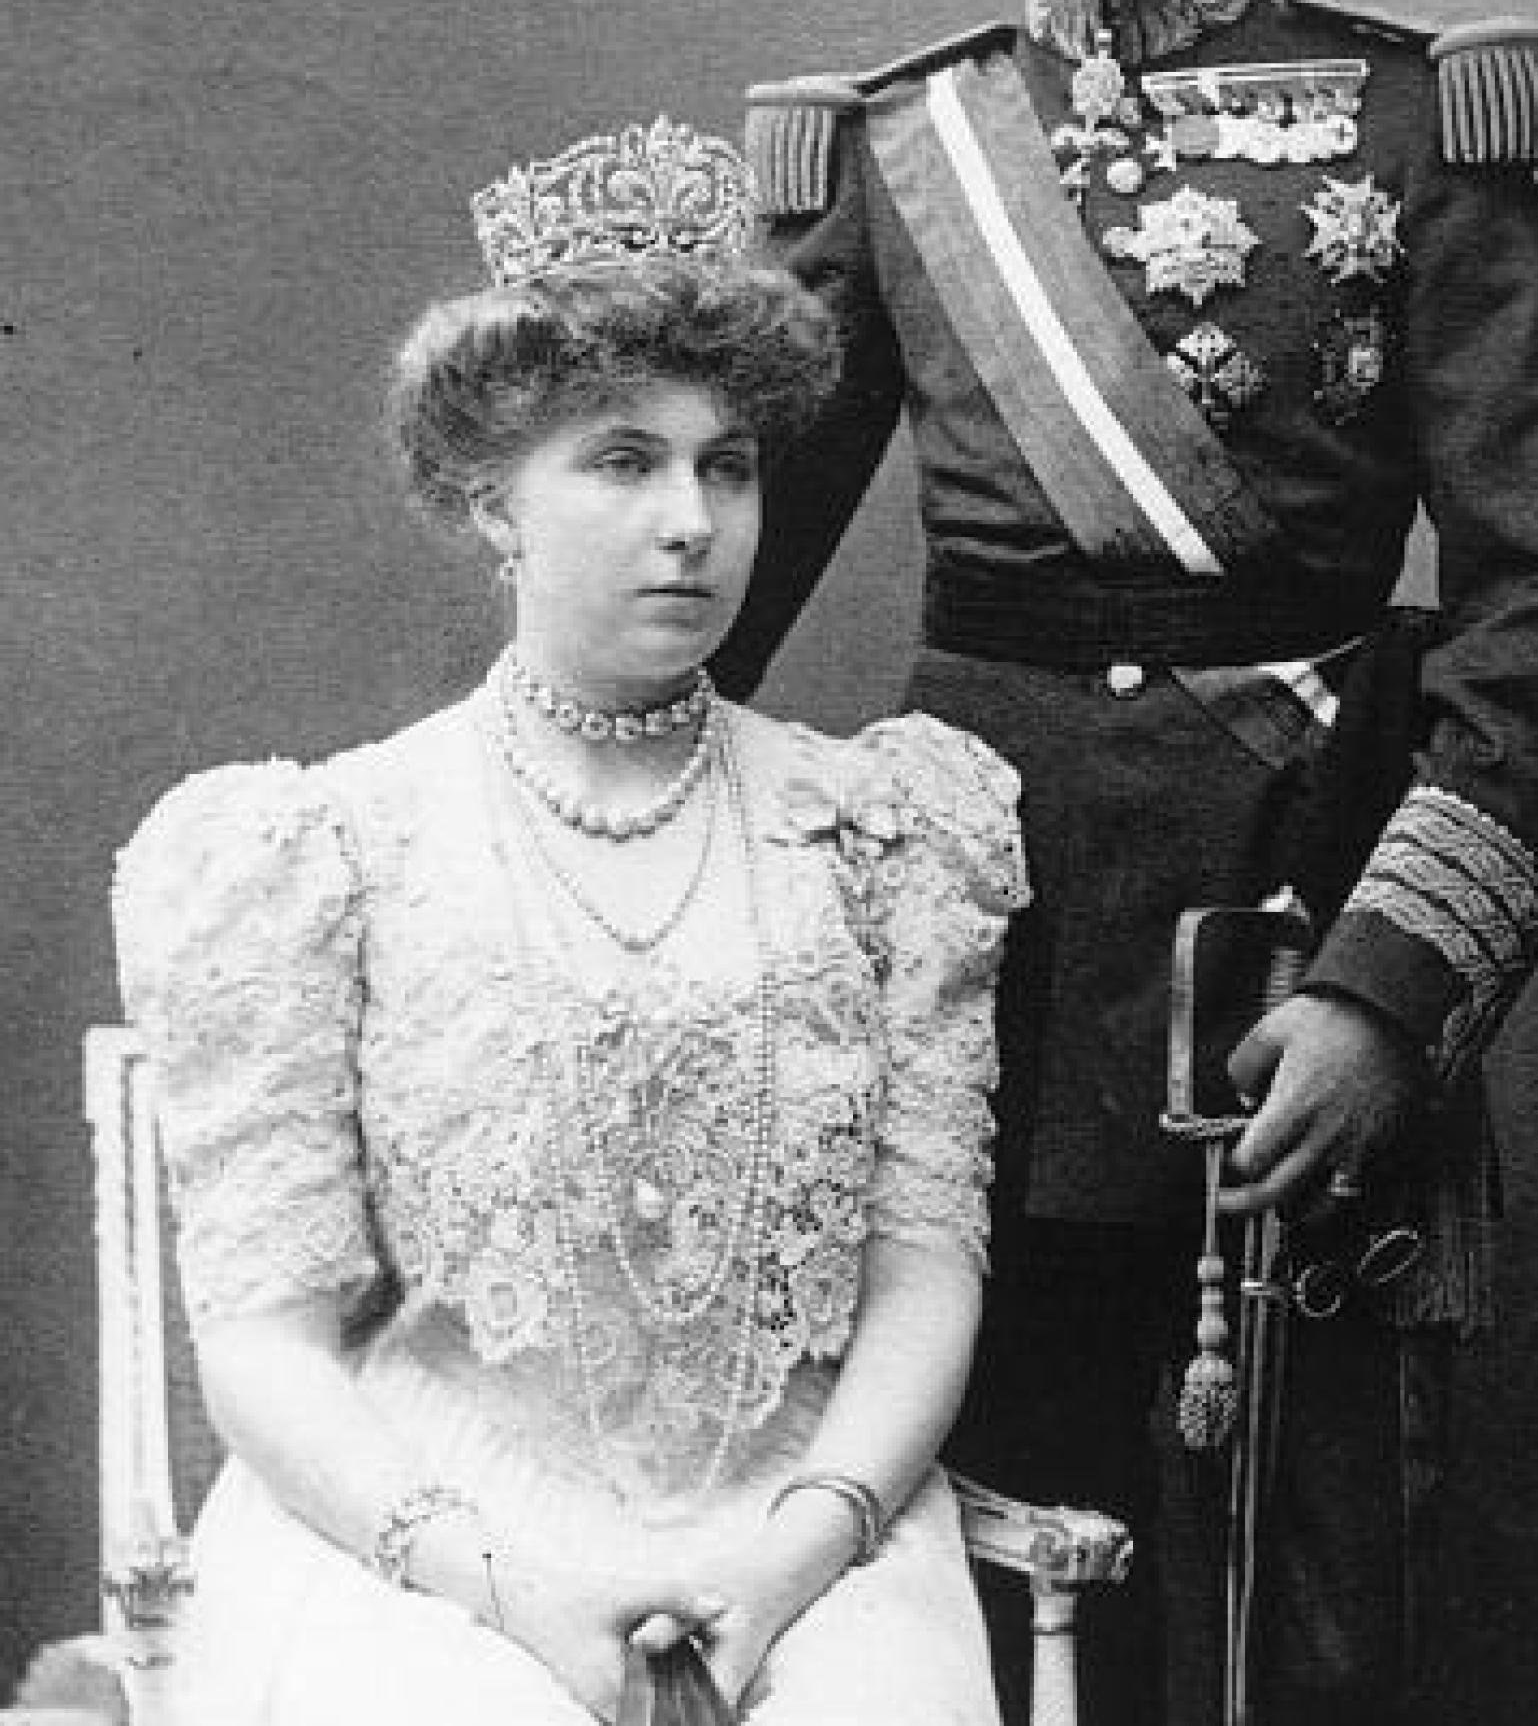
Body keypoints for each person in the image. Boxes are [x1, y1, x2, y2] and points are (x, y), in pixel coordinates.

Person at [720, 0, 1538, 1722]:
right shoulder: (903, 152)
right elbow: (706, 608)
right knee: (978, 1569)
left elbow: (1523, 624)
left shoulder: (1416, 129)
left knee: (1290, 1604)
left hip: (1285, 945)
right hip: (970, 967)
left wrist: (1391, 995)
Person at [110, 117, 1029, 1726]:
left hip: (811, 1526)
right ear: (489, 505)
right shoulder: (323, 846)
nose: (690, 518)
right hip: (431, 1532)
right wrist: (503, 1585)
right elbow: (262, 1344)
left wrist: (795, 1554)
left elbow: (922, 1277)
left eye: (724, 466)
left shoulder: (887, 830)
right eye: (621, 461)